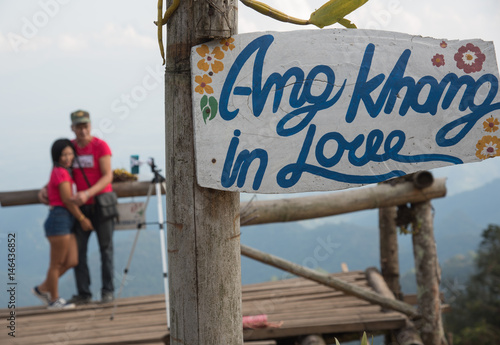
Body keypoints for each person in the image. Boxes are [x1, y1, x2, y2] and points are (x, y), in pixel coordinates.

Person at [39, 110, 115, 305]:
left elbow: (108, 175)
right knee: (79, 252)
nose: (83, 130)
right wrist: (44, 189)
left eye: (86, 125)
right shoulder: (68, 147)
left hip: (100, 203)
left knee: (105, 249)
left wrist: (87, 193)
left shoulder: (100, 146)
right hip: (79, 209)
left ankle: (107, 291)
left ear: (90, 125)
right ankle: (84, 293)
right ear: (72, 128)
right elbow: (58, 170)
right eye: (79, 126)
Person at [32, 139, 93, 309]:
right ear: (56, 157)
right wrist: (82, 219)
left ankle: (42, 288)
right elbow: (66, 200)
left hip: (66, 221)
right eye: (63, 154)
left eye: (70, 153)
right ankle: (54, 300)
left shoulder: (65, 172)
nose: (67, 157)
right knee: (56, 264)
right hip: (59, 219)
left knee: (72, 260)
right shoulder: (60, 172)